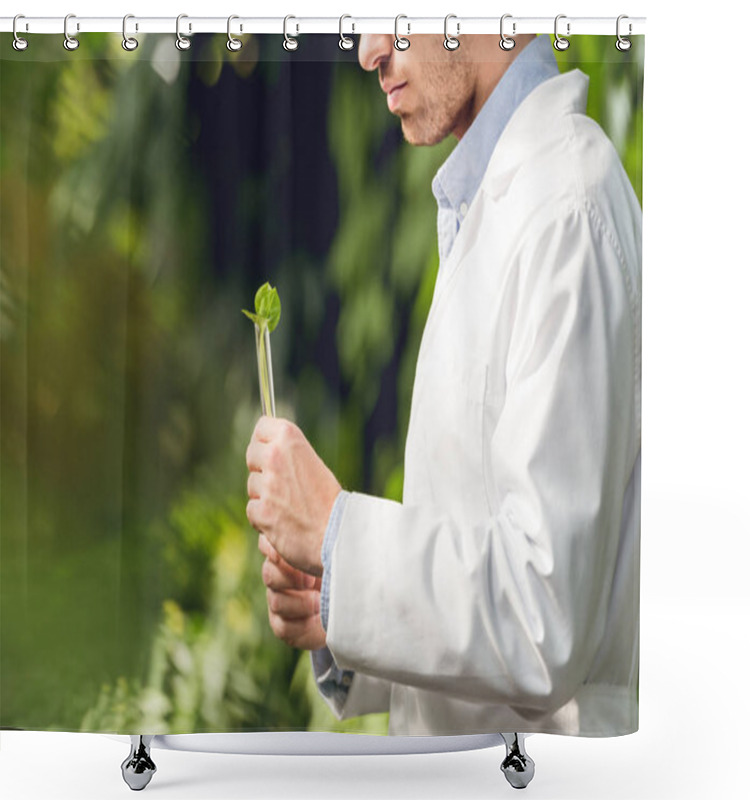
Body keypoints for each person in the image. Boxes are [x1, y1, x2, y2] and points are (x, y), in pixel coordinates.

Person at [246, 32, 641, 737]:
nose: (367, 50)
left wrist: (339, 535)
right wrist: (337, 603)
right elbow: (478, 568)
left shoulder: (566, 209)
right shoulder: (494, 204)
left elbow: (542, 618)